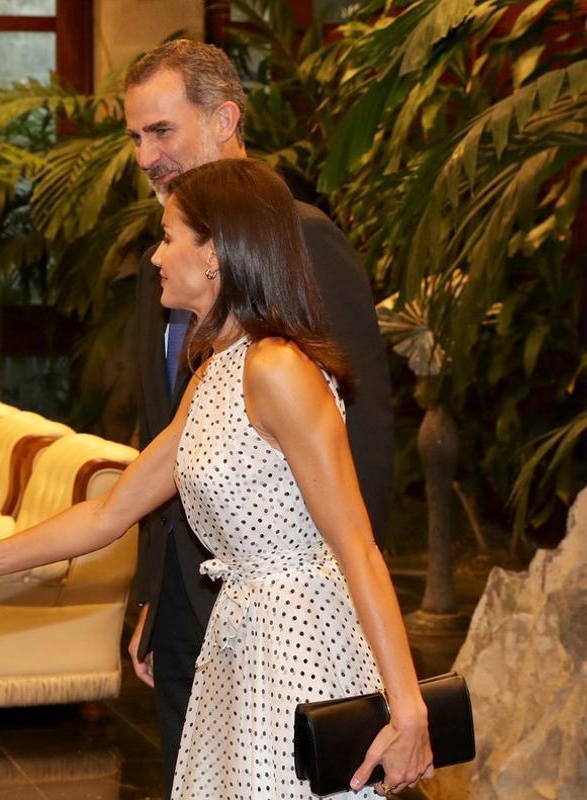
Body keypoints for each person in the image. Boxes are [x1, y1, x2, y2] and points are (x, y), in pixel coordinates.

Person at [0, 159, 431, 798]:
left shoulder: (279, 368)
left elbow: (357, 546)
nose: (156, 257)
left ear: (215, 251)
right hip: (239, 637)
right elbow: (108, 514)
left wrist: (407, 709)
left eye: (167, 237)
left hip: (300, 642)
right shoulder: (217, 373)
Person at [121, 39, 395, 794]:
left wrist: (354, 620)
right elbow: (164, 439)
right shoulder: (169, 262)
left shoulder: (300, 238)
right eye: (135, 137)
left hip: (292, 612)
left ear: (224, 119)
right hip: (187, 597)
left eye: (162, 131)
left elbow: (358, 438)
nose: (146, 155)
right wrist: (152, 592)